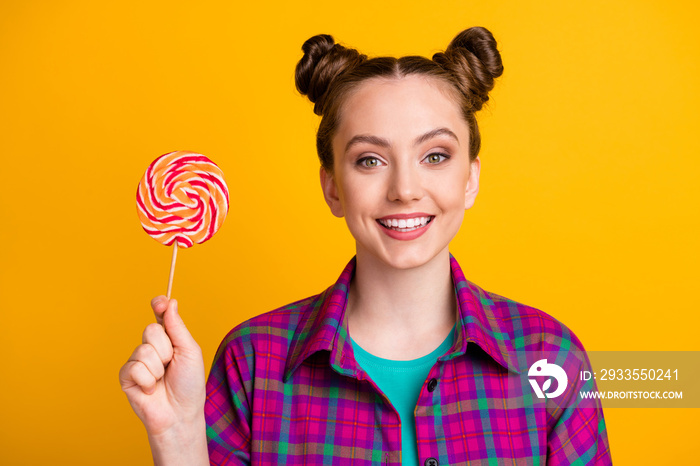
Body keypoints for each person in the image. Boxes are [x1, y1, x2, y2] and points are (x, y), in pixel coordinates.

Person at [120, 27, 612, 465]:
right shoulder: (251, 363)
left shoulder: (552, 358)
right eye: (370, 160)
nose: (404, 188)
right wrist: (178, 437)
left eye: (435, 156)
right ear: (332, 185)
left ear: (470, 179)